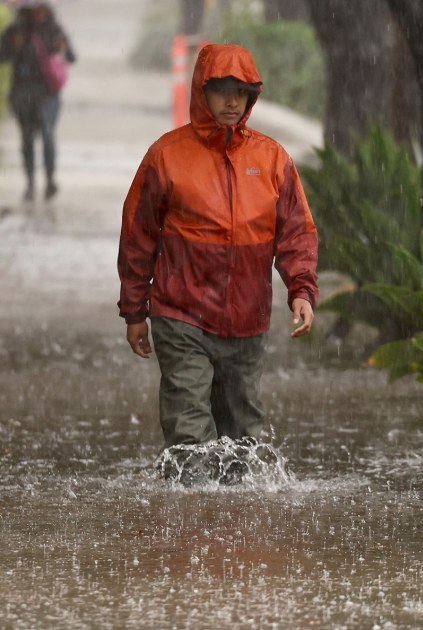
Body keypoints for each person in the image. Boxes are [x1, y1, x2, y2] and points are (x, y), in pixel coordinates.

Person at [117, 43, 319, 483]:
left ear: (252, 96)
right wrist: (135, 311)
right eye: (222, 90)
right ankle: (189, 534)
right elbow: (138, 236)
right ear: (201, 92)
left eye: (241, 92)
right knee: (189, 436)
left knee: (245, 440)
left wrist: (301, 290)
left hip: (247, 322)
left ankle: (238, 543)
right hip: (180, 315)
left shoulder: (272, 160)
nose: (232, 101)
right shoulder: (166, 156)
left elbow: (296, 232)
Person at [0, 0, 76, 201]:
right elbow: (2, 57)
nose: (38, 12)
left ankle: (50, 180)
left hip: (48, 94)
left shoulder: (53, 29)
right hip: (22, 93)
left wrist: (64, 47)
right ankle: (30, 184)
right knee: (26, 139)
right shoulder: (15, 30)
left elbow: (71, 57)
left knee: (47, 134)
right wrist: (13, 46)